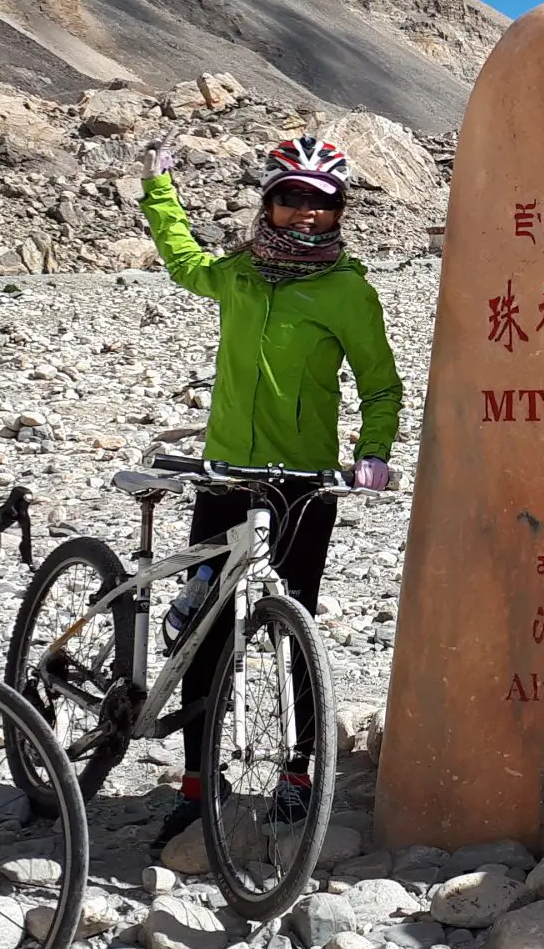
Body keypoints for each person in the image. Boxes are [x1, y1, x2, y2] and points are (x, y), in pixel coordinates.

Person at [137, 131, 401, 844]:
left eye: (320, 203)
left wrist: (371, 455)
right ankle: (197, 783)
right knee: (206, 633)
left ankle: (297, 775)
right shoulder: (239, 274)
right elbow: (184, 261)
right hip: (226, 476)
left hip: (300, 486)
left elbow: (381, 386)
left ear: (339, 210)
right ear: (269, 204)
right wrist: (158, 191)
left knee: (297, 630)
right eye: (290, 200)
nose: (305, 215)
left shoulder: (348, 292)